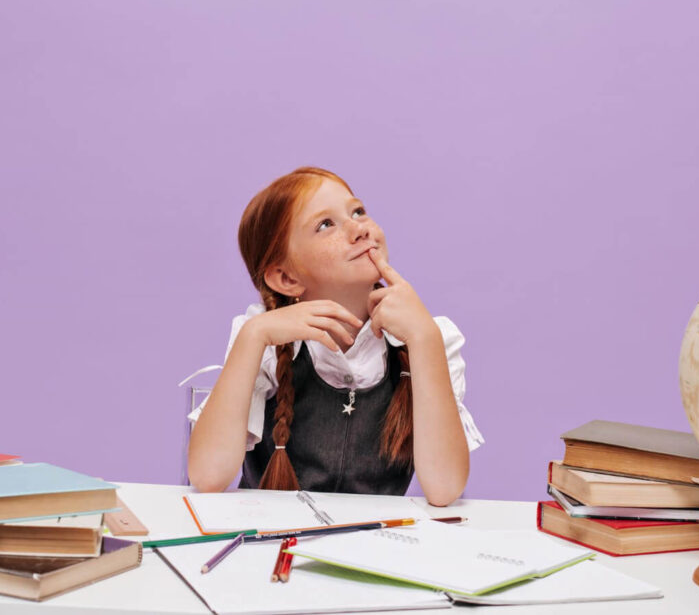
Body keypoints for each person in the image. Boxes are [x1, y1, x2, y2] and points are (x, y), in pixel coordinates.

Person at [187, 167, 483, 506]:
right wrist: (253, 336)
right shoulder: (265, 340)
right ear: (285, 278)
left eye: (357, 211)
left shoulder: (429, 338)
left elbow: (445, 489)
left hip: (375, 545)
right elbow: (208, 476)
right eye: (325, 224)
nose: (360, 228)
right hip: (274, 543)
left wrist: (425, 340)